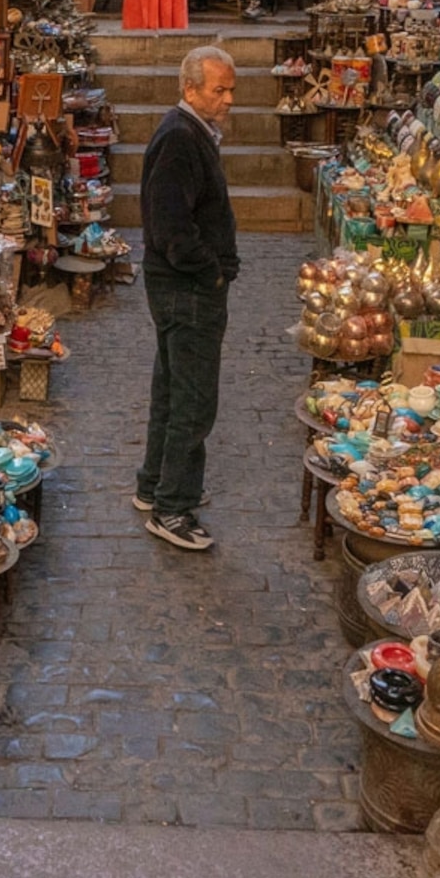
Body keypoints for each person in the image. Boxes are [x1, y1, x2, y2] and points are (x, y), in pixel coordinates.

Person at [135, 44, 238, 551]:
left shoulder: (190, 133)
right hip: (187, 289)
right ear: (190, 89)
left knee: (172, 390)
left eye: (230, 89)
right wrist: (212, 272)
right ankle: (173, 509)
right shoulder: (180, 139)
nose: (228, 99)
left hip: (178, 286)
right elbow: (172, 226)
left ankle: (154, 485)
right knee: (193, 403)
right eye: (218, 90)